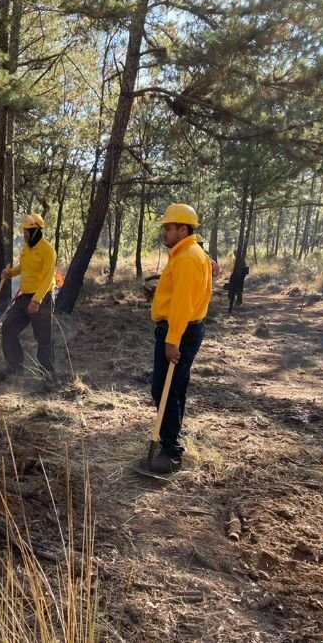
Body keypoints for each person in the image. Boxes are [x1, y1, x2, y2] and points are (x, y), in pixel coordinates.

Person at [145, 203, 213, 473]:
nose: (164, 232)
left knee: (165, 390)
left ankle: (171, 452)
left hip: (179, 331)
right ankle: (169, 444)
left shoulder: (187, 258)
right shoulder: (188, 253)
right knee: (172, 389)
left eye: (168, 228)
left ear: (183, 229)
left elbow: (184, 304)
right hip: (183, 329)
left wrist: (172, 340)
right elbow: (182, 292)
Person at [0, 213, 57, 378]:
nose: (24, 233)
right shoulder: (25, 248)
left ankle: (47, 373)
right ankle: (15, 369)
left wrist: (36, 300)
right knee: (8, 328)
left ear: (37, 231)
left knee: (43, 338)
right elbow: (22, 267)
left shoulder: (48, 251)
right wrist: (10, 273)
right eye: (24, 230)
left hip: (42, 299)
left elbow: (47, 279)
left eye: (28, 230)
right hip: (24, 298)